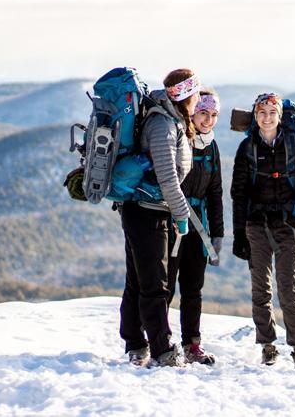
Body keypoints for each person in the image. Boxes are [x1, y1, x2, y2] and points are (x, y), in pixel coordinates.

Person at [230, 93, 295, 371]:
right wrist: (239, 234)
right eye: (261, 112)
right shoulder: (247, 148)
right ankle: (267, 345)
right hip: (255, 223)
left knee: (288, 288)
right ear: (255, 116)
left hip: (288, 223)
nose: (266, 118)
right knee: (260, 288)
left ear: (280, 116)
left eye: (272, 112)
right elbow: (239, 194)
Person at [119, 68, 199, 367]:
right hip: (149, 212)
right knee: (154, 283)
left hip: (143, 209)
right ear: (187, 96)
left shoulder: (167, 119)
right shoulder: (162, 124)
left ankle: (135, 341)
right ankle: (162, 347)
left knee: (140, 280)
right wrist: (181, 216)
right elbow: (168, 177)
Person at [167, 89, 224, 365]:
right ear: (193, 112)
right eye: (203, 113)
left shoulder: (212, 147)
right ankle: (160, 341)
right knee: (165, 286)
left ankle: (192, 344)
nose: (208, 120)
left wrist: (218, 234)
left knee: (193, 288)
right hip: (174, 222)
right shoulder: (181, 139)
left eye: (213, 115)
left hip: (199, 228)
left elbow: (216, 192)